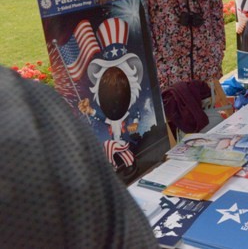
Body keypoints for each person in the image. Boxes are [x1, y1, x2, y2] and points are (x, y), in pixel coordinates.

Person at [0, 66, 158, 248]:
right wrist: (90, 111)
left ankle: (127, 165)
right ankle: (120, 165)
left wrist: (134, 124)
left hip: (125, 143)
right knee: (110, 145)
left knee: (114, 146)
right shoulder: (27, 103)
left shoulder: (23, 106)